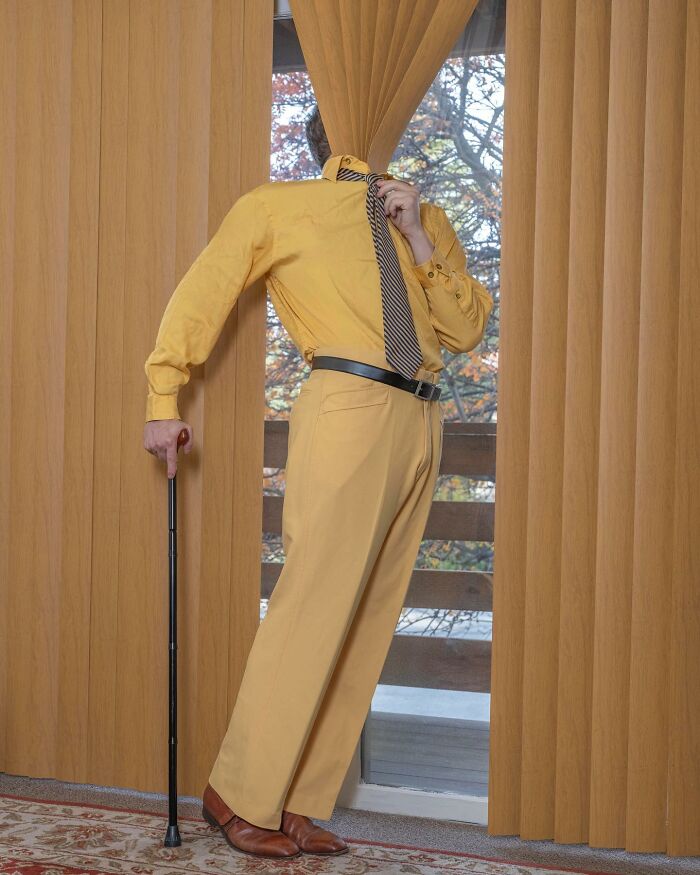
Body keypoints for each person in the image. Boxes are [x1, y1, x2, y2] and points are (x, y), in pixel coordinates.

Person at [143, 103, 494, 859]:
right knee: (310, 606)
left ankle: (297, 802)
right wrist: (162, 396)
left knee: (366, 621)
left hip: (421, 419)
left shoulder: (422, 215)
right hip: (348, 403)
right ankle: (237, 791)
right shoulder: (280, 207)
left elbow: (465, 332)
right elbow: (203, 293)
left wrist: (418, 235)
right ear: (332, 136)